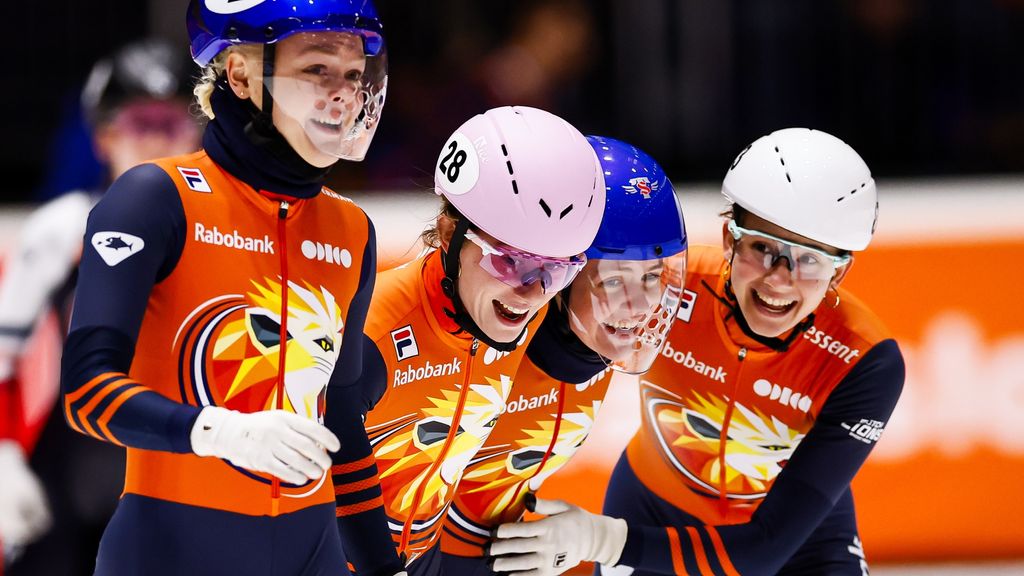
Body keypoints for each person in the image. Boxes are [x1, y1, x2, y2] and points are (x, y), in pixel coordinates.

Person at [59, 1, 406, 574]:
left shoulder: (350, 230)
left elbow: (343, 425)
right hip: (168, 550)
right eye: (317, 69)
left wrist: (384, 567)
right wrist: (216, 431)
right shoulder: (154, 198)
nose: (342, 95)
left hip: (311, 551)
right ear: (241, 75)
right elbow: (86, 392)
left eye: (352, 74)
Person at [488, 128, 906, 575]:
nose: (778, 279)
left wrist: (600, 540)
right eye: (763, 248)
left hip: (795, 544)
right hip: (650, 513)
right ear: (730, 239)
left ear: (838, 274)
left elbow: (763, 550)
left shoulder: (865, 359)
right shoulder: (666, 284)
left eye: (809, 260)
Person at [356, 106, 605, 576]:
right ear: (449, 233)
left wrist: (594, 538)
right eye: (509, 261)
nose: (531, 293)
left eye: (555, 270)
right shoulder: (374, 331)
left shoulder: (527, 315)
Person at [438, 136, 689, 576]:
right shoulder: (479, 353)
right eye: (613, 281)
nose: (638, 307)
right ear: (560, 274)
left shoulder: (592, 340)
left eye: (652, 277)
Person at [0, 38, 199, 575]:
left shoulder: (224, 233)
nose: (156, 139)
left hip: (182, 470)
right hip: (72, 478)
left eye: (172, 122)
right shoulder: (62, 228)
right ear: (103, 135)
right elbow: (1, 355)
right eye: (140, 123)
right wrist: (3, 457)